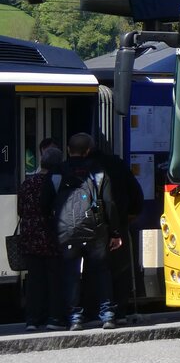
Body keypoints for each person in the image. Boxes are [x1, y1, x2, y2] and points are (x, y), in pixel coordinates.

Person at [47, 132, 122, 331]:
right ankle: (107, 315)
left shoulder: (57, 172)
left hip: (67, 230)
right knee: (101, 271)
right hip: (96, 230)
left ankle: (75, 318)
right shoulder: (99, 172)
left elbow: (44, 203)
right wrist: (114, 233)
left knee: (71, 273)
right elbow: (109, 204)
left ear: (68, 150)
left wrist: (55, 226)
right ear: (88, 150)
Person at [87, 142, 144, 324]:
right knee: (120, 269)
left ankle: (93, 310)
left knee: (94, 269)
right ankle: (119, 311)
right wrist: (131, 215)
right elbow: (136, 194)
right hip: (119, 222)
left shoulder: (81, 167)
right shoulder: (117, 164)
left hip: (89, 227)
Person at [17, 140, 63, 331]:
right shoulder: (56, 182)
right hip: (51, 238)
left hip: (30, 238)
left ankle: (32, 320)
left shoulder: (27, 183)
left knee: (34, 281)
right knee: (54, 280)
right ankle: (53, 318)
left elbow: (21, 210)